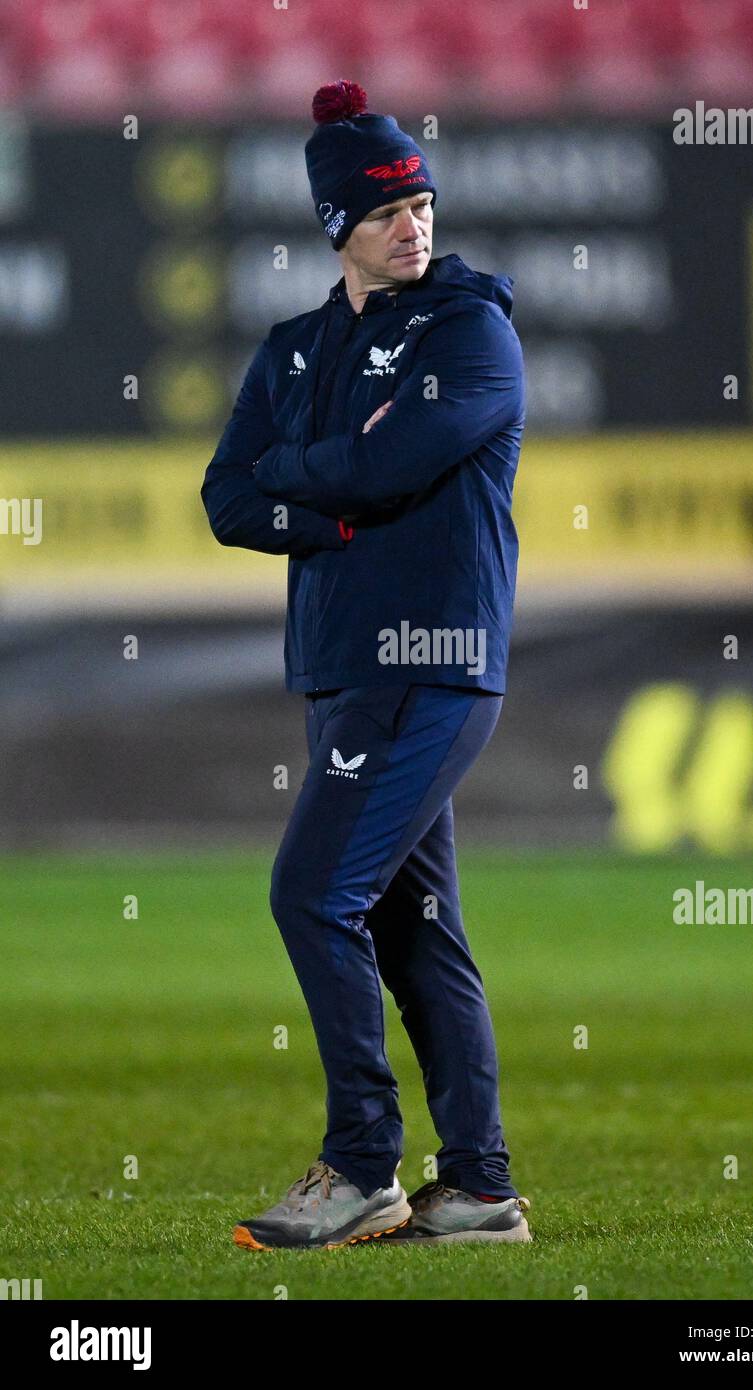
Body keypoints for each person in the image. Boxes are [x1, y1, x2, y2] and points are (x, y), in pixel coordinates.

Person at [201, 79, 530, 1249]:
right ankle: (480, 1188)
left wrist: (316, 477)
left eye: (422, 201)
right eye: (387, 207)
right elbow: (227, 497)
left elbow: (386, 468)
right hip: (345, 663)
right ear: (336, 224)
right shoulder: (295, 348)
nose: (414, 223)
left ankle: (361, 1165)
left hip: (426, 661)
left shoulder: (469, 328)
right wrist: (327, 506)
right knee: (411, 924)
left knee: (310, 893)